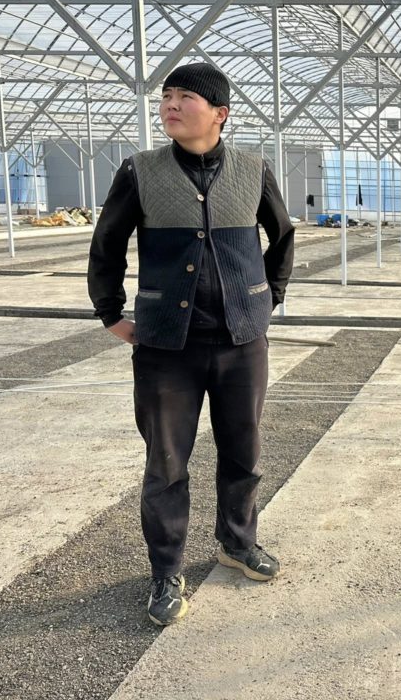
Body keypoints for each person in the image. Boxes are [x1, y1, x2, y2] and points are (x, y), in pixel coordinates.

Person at [88, 62, 295, 626]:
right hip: (166, 348)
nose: (171, 105)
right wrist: (110, 312)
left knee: (244, 452)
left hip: (241, 341)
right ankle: (166, 570)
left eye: (186, 97)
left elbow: (282, 236)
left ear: (220, 113)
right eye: (167, 96)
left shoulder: (253, 170)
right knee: (166, 462)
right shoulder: (140, 171)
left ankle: (237, 542)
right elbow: (107, 243)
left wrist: (267, 298)